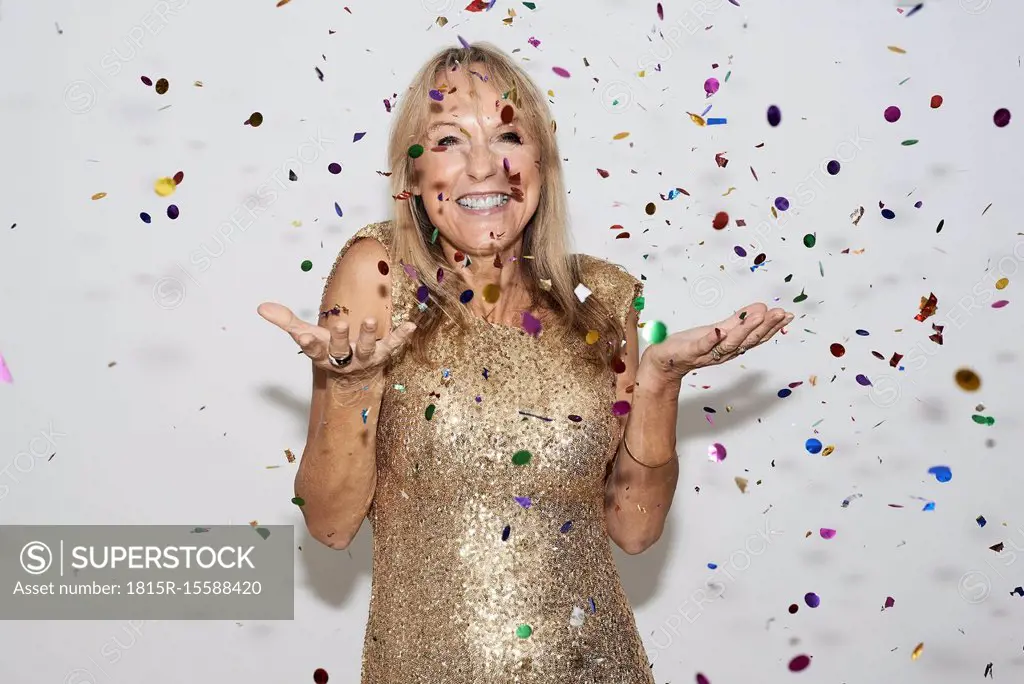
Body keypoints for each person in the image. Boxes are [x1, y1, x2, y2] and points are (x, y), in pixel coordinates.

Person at [258, 42, 793, 684]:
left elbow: (633, 531)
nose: (484, 166)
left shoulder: (602, 300)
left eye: (508, 134)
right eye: (451, 140)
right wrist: (350, 384)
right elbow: (331, 525)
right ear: (413, 173)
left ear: (541, 163)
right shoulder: (377, 275)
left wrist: (658, 384)